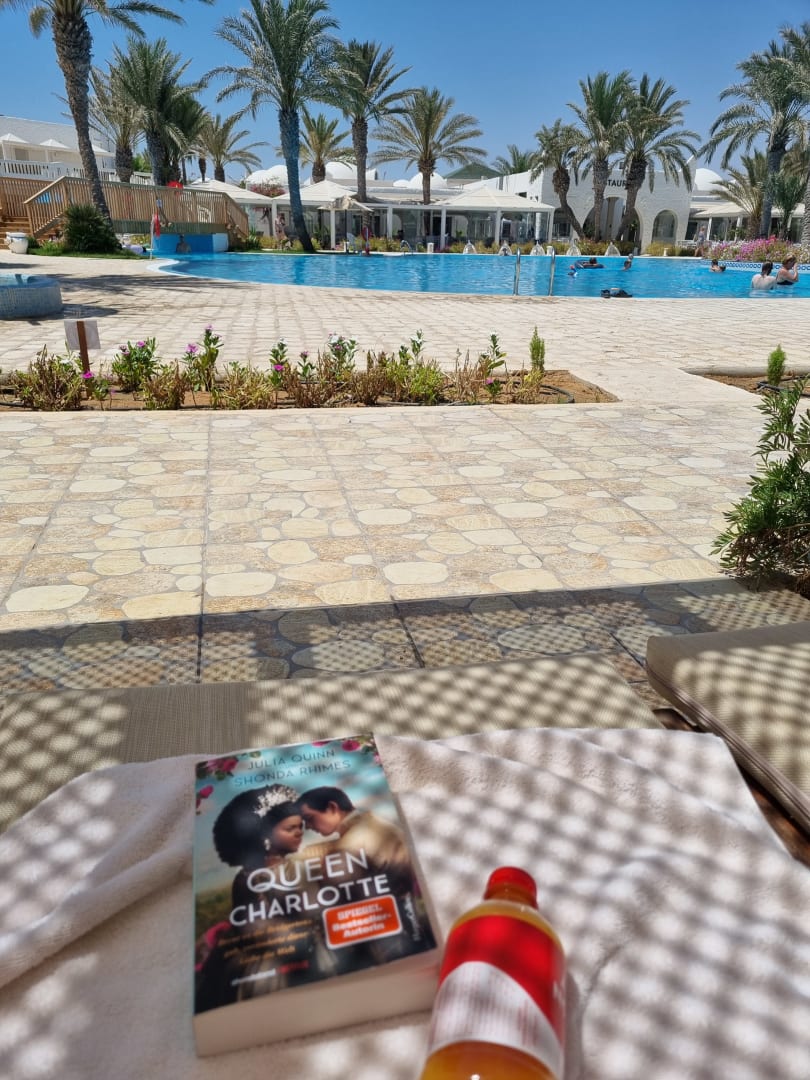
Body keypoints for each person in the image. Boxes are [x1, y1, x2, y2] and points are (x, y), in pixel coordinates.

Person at [298, 785, 412, 896]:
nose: (307, 826)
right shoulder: (372, 822)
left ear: (332, 808)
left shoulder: (352, 844)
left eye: (309, 818)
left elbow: (338, 890)